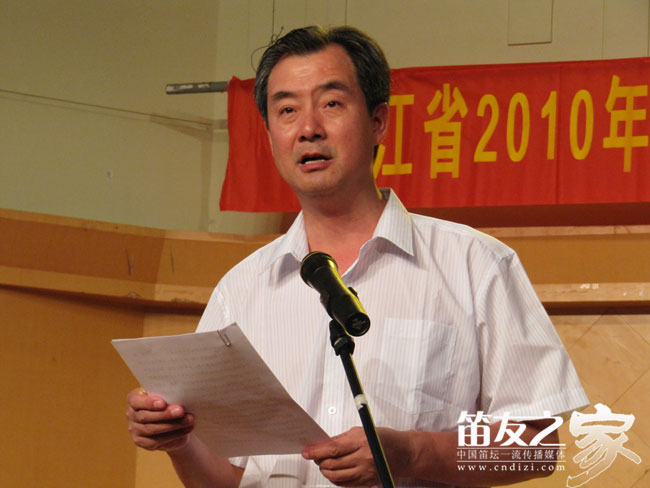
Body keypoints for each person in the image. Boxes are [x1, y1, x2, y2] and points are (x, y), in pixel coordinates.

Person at [126, 25, 588, 487]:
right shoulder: (240, 290)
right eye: (287, 110)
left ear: (378, 122)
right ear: (269, 136)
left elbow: (536, 448)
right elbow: (226, 480)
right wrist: (179, 442)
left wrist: (415, 453)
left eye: (331, 104)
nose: (308, 128)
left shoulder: (474, 263)